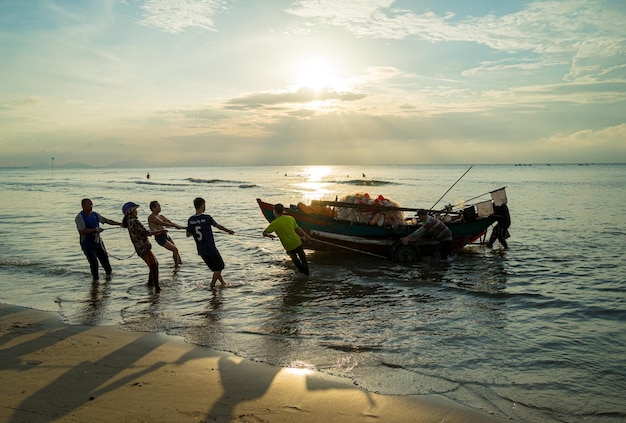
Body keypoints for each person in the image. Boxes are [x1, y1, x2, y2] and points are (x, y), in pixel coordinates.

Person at [186, 197, 234, 289]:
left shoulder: (191, 220)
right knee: (220, 266)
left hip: (201, 249)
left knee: (215, 268)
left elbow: (188, 234)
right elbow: (218, 226)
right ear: (202, 206)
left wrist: (192, 229)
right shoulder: (206, 218)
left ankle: (223, 283)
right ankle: (212, 286)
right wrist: (228, 231)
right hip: (210, 247)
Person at [75, 198, 121, 280]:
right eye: (89, 205)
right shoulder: (79, 217)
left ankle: (109, 279)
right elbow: (82, 231)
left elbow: (107, 221)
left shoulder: (95, 215)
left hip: (98, 242)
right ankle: (95, 281)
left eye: (92, 204)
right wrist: (95, 230)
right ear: (83, 206)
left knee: (105, 261)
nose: (91, 206)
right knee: (94, 263)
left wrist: (120, 224)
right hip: (87, 244)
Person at [262, 203, 312, 276]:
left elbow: (264, 233)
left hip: (289, 246)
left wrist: (270, 236)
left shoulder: (274, 223)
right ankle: (307, 274)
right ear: (283, 211)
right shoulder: (290, 218)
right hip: (297, 241)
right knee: (303, 259)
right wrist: (306, 235)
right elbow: (298, 229)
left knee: (296, 260)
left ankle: (303, 275)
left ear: (274, 212)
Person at [121, 202, 160, 291]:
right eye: (135, 210)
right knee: (154, 265)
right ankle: (157, 288)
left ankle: (151, 284)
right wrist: (158, 232)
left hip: (139, 247)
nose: (137, 211)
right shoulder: (134, 221)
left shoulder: (129, 221)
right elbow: (145, 232)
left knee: (153, 265)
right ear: (131, 211)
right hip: (143, 246)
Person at [148, 201, 184, 266]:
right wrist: (175, 226)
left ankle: (180, 264)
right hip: (159, 237)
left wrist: (180, 226)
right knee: (175, 249)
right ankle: (176, 266)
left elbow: (169, 222)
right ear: (153, 208)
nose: (160, 207)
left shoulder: (161, 216)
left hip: (165, 235)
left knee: (176, 251)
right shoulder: (152, 217)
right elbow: (162, 223)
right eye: (158, 206)